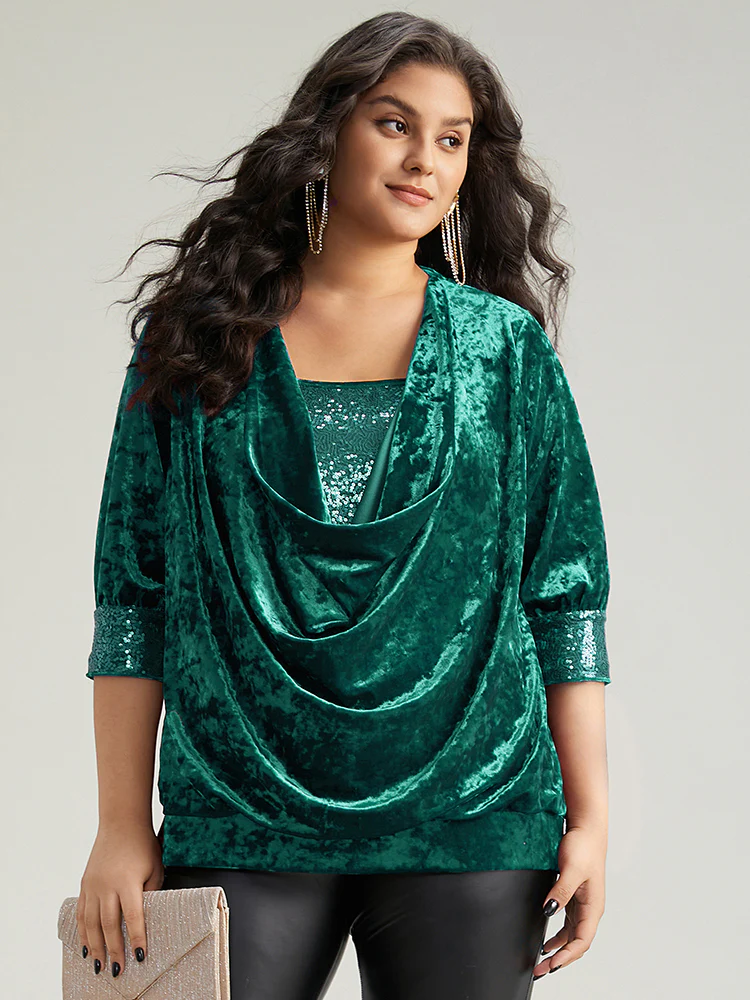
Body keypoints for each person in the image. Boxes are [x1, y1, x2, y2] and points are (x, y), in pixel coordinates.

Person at [75, 11, 612, 999]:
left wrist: (593, 819)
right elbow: (133, 594)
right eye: (395, 124)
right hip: (239, 813)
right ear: (328, 133)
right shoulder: (198, 342)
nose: (424, 160)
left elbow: (564, 596)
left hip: (473, 818)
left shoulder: (505, 351)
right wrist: (119, 825)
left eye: (452, 139)